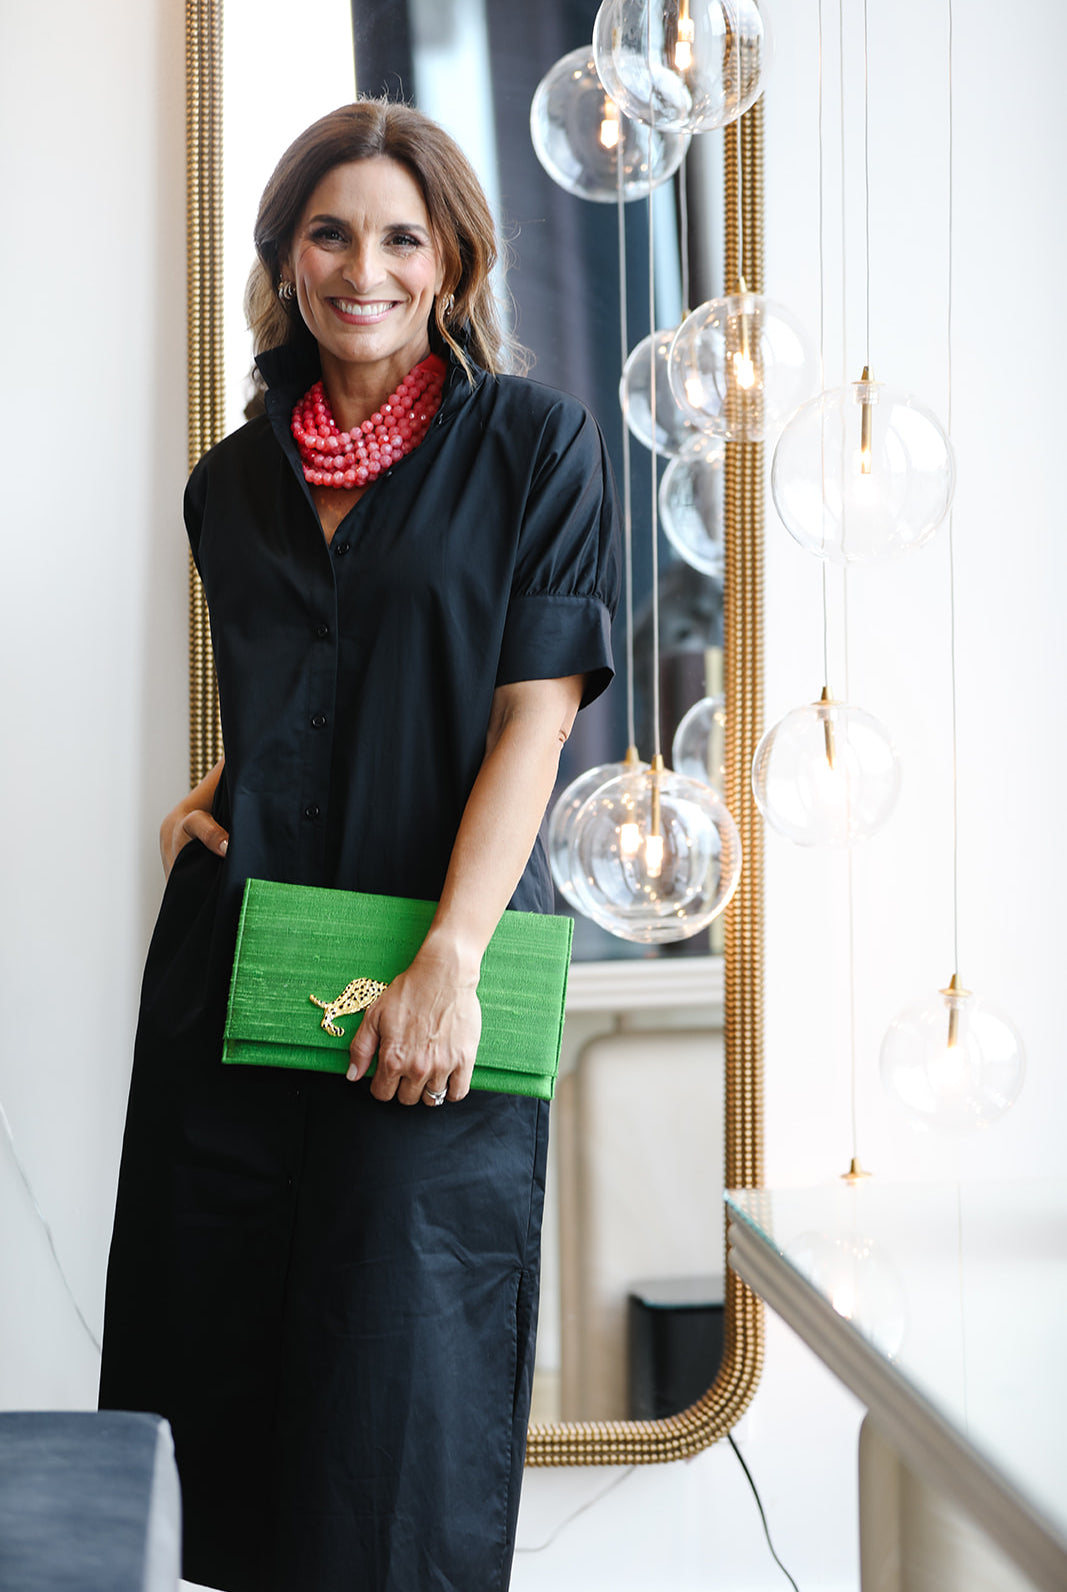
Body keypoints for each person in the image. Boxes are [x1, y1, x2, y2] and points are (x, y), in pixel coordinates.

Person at [98, 98, 620, 1592]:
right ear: (285, 257)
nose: (365, 266)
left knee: (398, 1435)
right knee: (227, 1420)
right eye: (331, 232)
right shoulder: (229, 485)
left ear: (452, 260)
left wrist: (450, 957)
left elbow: (531, 715)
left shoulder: (532, 445)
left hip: (432, 984)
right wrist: (219, 785)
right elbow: (318, 679)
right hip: (240, 979)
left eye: (403, 234)